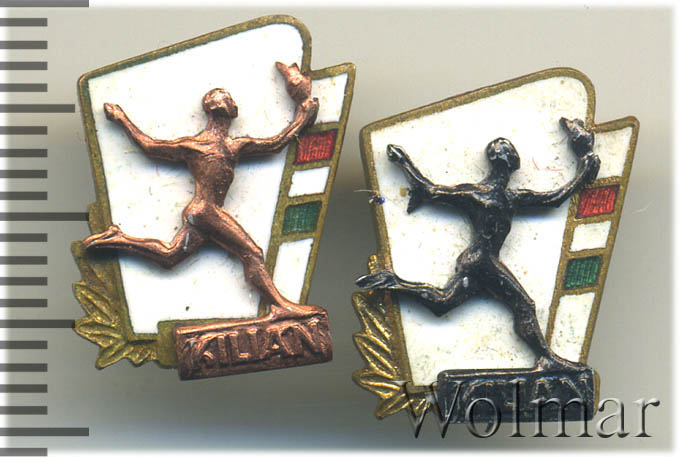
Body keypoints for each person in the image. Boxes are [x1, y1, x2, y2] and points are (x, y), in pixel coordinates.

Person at [356, 118, 600, 369]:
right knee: (524, 306)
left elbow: (553, 199)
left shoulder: (511, 197)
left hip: (478, 262)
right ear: (508, 162)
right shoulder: (480, 195)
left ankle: (394, 282)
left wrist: (582, 176)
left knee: (442, 303)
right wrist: (404, 162)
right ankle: (547, 359)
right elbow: (430, 191)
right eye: (511, 156)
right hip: (482, 261)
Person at [84, 62, 320, 318]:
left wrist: (302, 119)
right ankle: (280, 306)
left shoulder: (226, 146)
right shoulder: (212, 146)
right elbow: (150, 146)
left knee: (169, 256)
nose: (231, 104)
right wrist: (121, 119)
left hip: (201, 214)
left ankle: (119, 238)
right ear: (231, 111)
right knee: (252, 252)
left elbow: (275, 144)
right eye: (229, 101)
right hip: (207, 212)